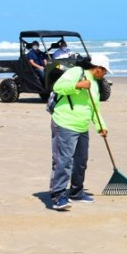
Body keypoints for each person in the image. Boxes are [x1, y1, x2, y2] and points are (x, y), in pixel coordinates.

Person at [47, 53, 112, 211]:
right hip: (65, 123)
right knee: (64, 160)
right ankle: (58, 195)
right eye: (104, 71)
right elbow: (57, 87)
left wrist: (101, 126)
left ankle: (76, 192)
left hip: (82, 126)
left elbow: (94, 108)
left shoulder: (95, 84)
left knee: (81, 161)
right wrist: (77, 85)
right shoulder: (76, 72)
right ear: (98, 68)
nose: (104, 74)